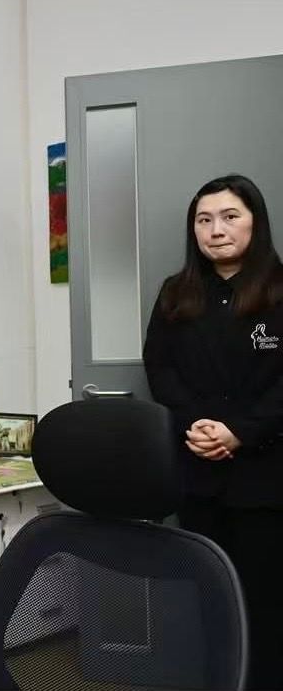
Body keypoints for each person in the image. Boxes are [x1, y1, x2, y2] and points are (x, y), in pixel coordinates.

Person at [143, 173, 283, 690]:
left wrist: (240, 432)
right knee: (203, 597)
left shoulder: (279, 289)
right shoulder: (175, 294)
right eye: (204, 220)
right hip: (198, 472)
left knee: (265, 602)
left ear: (255, 222)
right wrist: (198, 425)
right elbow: (160, 368)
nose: (215, 230)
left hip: (266, 478)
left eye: (229, 216)